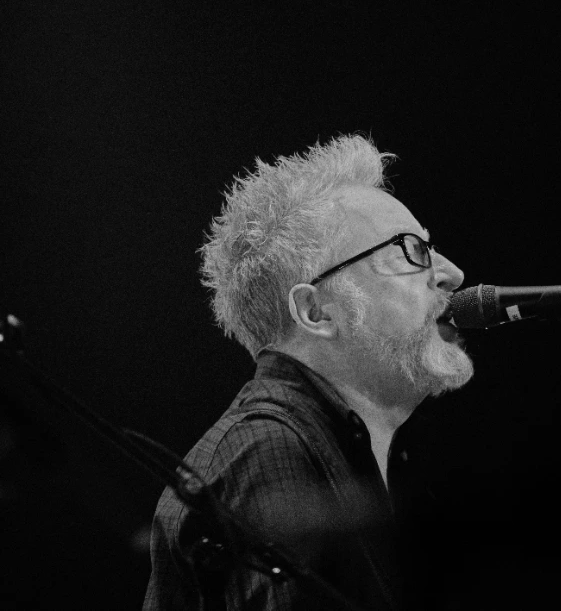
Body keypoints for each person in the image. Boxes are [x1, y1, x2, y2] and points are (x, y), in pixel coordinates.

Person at [143, 134, 474, 610]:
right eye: (410, 250)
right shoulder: (269, 450)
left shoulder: (359, 451)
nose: (451, 272)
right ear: (316, 311)